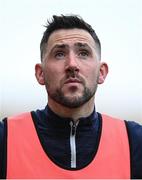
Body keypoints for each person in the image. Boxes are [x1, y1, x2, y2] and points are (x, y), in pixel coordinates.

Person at [0, 14, 142, 179]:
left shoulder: (135, 142)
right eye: (59, 54)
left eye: (83, 53)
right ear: (40, 73)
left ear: (101, 72)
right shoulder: (5, 138)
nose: (72, 64)